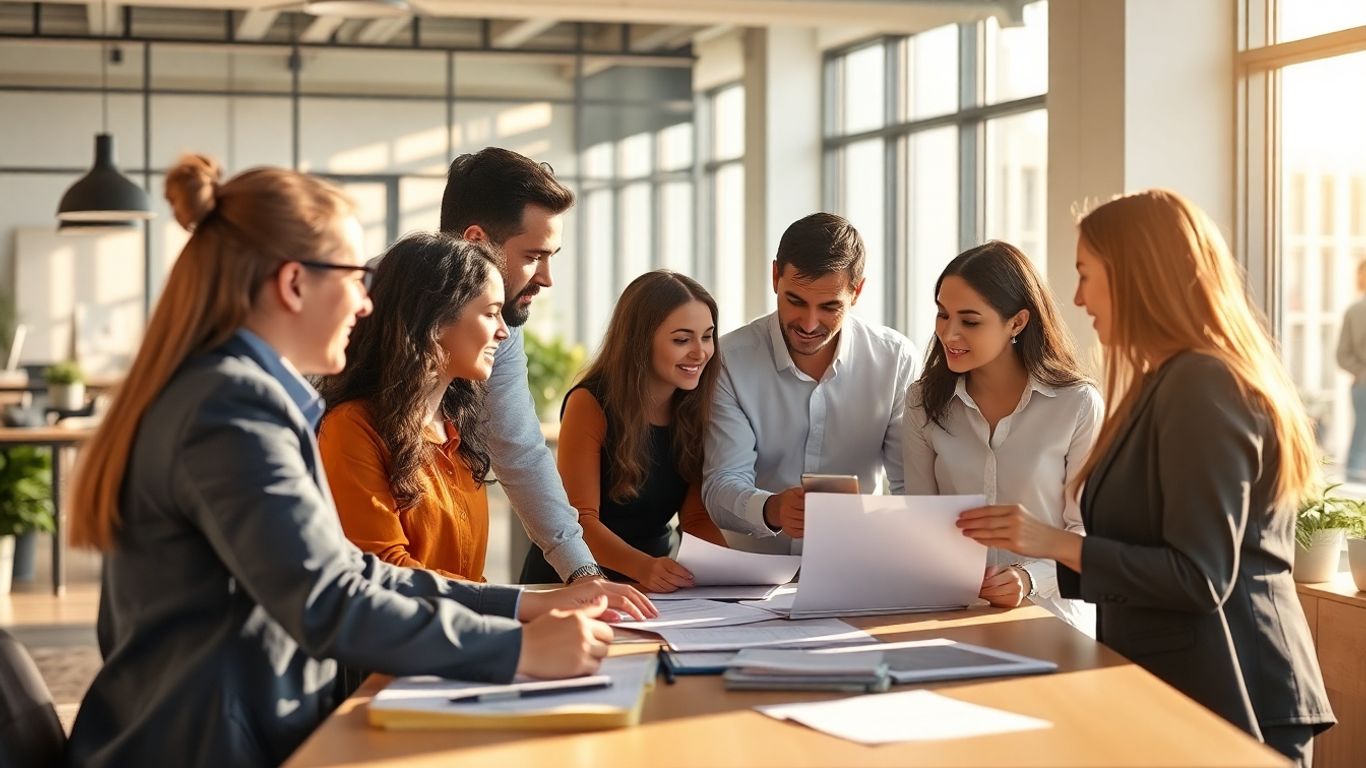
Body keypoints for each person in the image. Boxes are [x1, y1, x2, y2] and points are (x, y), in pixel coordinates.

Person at [63, 155, 653, 768]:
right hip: (210, 742)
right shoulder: (229, 410)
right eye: (350, 276)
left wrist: (522, 607)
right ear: (293, 284)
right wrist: (515, 649)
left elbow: (352, 570)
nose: (367, 303)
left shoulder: (240, 395)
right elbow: (327, 599)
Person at [957, 189, 1334, 765]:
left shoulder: (1203, 385)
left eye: (1087, 275)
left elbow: (1198, 576)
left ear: (1138, 275)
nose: (1079, 298)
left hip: (1234, 694)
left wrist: (1051, 541)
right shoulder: (1163, 382)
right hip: (1186, 683)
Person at [903, 240, 1101, 630]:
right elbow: (920, 520)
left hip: (1052, 616)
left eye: (970, 321)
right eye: (943, 315)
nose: (949, 333)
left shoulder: (1077, 404)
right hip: (951, 614)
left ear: (1017, 322)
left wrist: (1029, 579)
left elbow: (1086, 529)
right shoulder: (922, 402)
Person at [703, 212, 919, 553]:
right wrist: (772, 509)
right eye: (796, 301)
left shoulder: (895, 360)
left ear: (857, 291)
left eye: (830, 306)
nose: (809, 322)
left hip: (855, 567)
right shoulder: (730, 359)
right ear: (776, 277)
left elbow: (910, 486)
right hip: (751, 580)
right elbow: (720, 484)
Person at [441, 147, 606, 584]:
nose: (547, 278)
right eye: (534, 255)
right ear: (475, 242)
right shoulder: (362, 316)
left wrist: (584, 573)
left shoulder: (503, 327)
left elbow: (518, 448)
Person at [316, 232, 508, 581]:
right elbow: (384, 570)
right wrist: (518, 605)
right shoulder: (352, 428)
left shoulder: (456, 429)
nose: (503, 331)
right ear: (434, 319)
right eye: (491, 313)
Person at [521, 270, 729, 590]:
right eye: (682, 339)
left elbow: (697, 520)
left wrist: (735, 576)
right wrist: (644, 568)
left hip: (652, 584)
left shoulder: (698, 405)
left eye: (707, 336)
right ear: (640, 341)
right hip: (575, 579)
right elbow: (581, 521)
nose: (700, 352)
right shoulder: (589, 403)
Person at [1335, 260, 1366, 482]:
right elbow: (1342, 355)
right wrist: (1361, 373)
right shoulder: (1354, 312)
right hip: (1363, 385)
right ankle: (1353, 481)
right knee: (1362, 433)